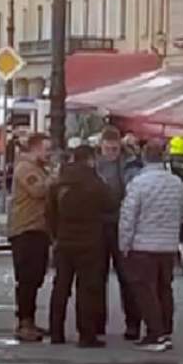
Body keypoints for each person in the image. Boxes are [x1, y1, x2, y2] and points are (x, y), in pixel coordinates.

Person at [118, 139, 183, 351]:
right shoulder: (176, 182)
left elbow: (128, 216)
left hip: (143, 245)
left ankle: (154, 333)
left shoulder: (139, 183)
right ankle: (166, 330)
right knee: (164, 289)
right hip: (167, 245)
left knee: (145, 291)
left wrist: (124, 243)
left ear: (143, 157)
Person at [47, 145, 111, 348]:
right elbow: (110, 205)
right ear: (91, 159)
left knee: (60, 287)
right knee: (87, 289)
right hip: (90, 242)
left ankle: (56, 331)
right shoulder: (96, 183)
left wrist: (56, 235)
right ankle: (86, 334)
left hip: (64, 241)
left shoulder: (59, 184)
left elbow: (49, 214)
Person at [95, 127, 141, 339]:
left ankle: (132, 323)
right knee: (97, 276)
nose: (111, 152)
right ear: (101, 146)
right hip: (100, 224)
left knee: (128, 277)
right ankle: (97, 323)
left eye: (115, 149)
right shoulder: (95, 163)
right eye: (108, 148)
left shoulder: (128, 162)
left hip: (122, 223)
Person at [8, 133, 52, 342]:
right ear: (35, 149)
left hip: (38, 229)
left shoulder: (39, 168)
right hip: (26, 230)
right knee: (27, 279)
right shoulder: (26, 168)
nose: (49, 153)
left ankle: (30, 321)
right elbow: (38, 190)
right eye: (46, 149)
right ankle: (24, 323)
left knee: (35, 278)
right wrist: (56, 179)